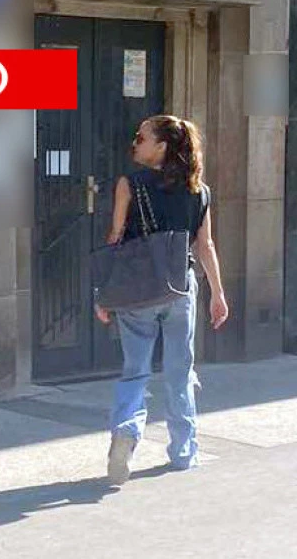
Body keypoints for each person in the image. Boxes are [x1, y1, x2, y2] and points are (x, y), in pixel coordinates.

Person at [95, 115, 228, 486]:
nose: (134, 143)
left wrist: (103, 292)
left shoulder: (129, 184)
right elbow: (205, 245)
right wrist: (218, 294)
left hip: (136, 291)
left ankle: (126, 429)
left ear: (162, 146)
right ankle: (184, 451)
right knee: (180, 371)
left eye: (141, 138)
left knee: (135, 370)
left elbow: (116, 239)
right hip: (180, 288)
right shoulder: (200, 191)